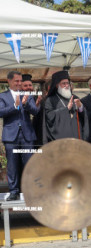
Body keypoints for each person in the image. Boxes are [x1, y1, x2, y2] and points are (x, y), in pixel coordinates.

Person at [0, 71, 38, 200]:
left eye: (20, 81)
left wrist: (26, 104)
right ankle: (14, 191)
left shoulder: (27, 95)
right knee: (12, 165)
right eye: (16, 81)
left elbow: (35, 111)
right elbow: (1, 112)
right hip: (11, 136)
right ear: (9, 81)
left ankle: (30, 191)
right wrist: (15, 106)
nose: (19, 83)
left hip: (27, 134)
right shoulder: (3, 96)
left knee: (29, 164)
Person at [43, 70, 89, 143]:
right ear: (57, 85)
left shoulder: (75, 97)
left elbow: (83, 118)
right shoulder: (50, 100)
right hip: (59, 140)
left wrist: (81, 107)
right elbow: (49, 116)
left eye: (67, 83)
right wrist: (66, 109)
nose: (66, 86)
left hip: (76, 137)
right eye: (63, 83)